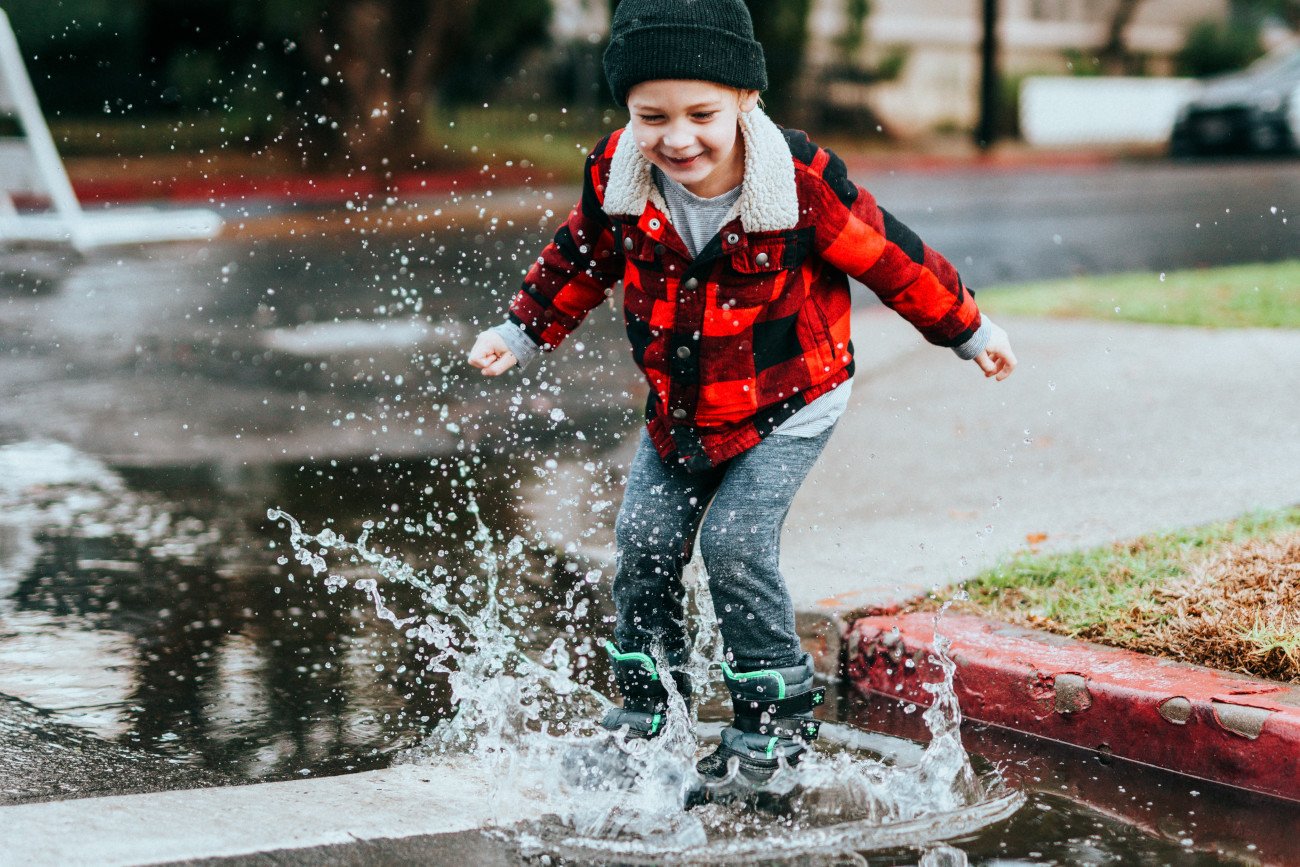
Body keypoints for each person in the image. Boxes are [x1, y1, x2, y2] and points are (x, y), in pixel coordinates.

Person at [467, 0, 1017, 790]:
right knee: (645, 542)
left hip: (792, 401)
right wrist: (520, 331)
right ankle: (649, 717)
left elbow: (891, 257)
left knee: (733, 542)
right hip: (684, 410)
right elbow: (578, 259)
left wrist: (970, 330)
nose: (677, 137)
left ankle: (773, 723)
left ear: (746, 102)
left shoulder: (796, 181)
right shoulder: (617, 176)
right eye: (652, 115)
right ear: (627, 110)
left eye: (702, 113)